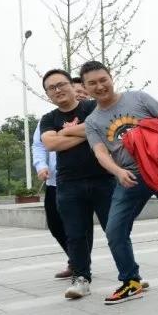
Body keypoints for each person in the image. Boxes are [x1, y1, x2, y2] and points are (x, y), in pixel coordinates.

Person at [80, 61, 158, 305]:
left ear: (111, 77)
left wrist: (142, 131)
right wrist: (117, 171)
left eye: (103, 79)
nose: (100, 86)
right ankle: (130, 280)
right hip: (130, 176)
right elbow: (101, 153)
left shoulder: (138, 98)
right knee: (114, 230)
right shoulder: (92, 122)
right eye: (92, 83)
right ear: (85, 87)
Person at [38, 69, 113, 300]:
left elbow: (105, 126)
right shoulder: (48, 119)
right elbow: (50, 143)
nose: (58, 90)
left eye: (61, 84)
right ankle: (81, 278)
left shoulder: (92, 107)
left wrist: (66, 132)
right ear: (48, 94)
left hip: (103, 178)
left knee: (116, 230)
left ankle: (130, 275)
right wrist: (88, 131)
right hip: (68, 183)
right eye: (52, 88)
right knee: (75, 234)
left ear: (72, 85)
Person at [32, 123, 70, 279]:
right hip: (55, 181)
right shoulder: (50, 119)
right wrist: (41, 165)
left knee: (81, 225)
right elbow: (38, 145)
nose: (81, 95)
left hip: (83, 180)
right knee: (55, 224)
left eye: (85, 95)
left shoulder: (90, 112)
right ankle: (77, 258)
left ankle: (79, 264)